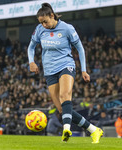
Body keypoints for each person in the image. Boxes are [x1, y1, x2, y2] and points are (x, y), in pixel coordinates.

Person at [28, 3, 103, 143]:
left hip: (66, 65)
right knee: (62, 110)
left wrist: (84, 70)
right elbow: (31, 47)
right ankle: (94, 130)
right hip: (49, 71)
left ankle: (66, 129)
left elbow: (80, 49)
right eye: (41, 22)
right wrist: (31, 61)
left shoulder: (67, 28)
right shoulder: (39, 30)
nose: (43, 25)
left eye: (45, 21)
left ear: (52, 16)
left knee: (65, 96)